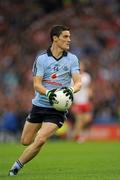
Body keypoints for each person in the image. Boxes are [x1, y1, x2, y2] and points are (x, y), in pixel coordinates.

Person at [8, 25, 81, 176]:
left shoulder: (72, 59)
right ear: (55, 38)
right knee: (25, 141)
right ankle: (32, 148)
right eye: (65, 37)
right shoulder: (42, 59)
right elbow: (37, 84)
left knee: (40, 139)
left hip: (58, 109)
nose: (69, 40)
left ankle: (15, 168)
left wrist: (70, 90)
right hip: (39, 105)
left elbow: (78, 82)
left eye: (69, 37)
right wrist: (49, 94)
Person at [71, 61, 93, 142]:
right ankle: (78, 137)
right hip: (77, 102)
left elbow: (89, 87)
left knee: (87, 119)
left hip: (85, 101)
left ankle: (74, 133)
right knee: (79, 120)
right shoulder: (73, 77)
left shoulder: (87, 76)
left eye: (82, 65)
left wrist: (90, 92)